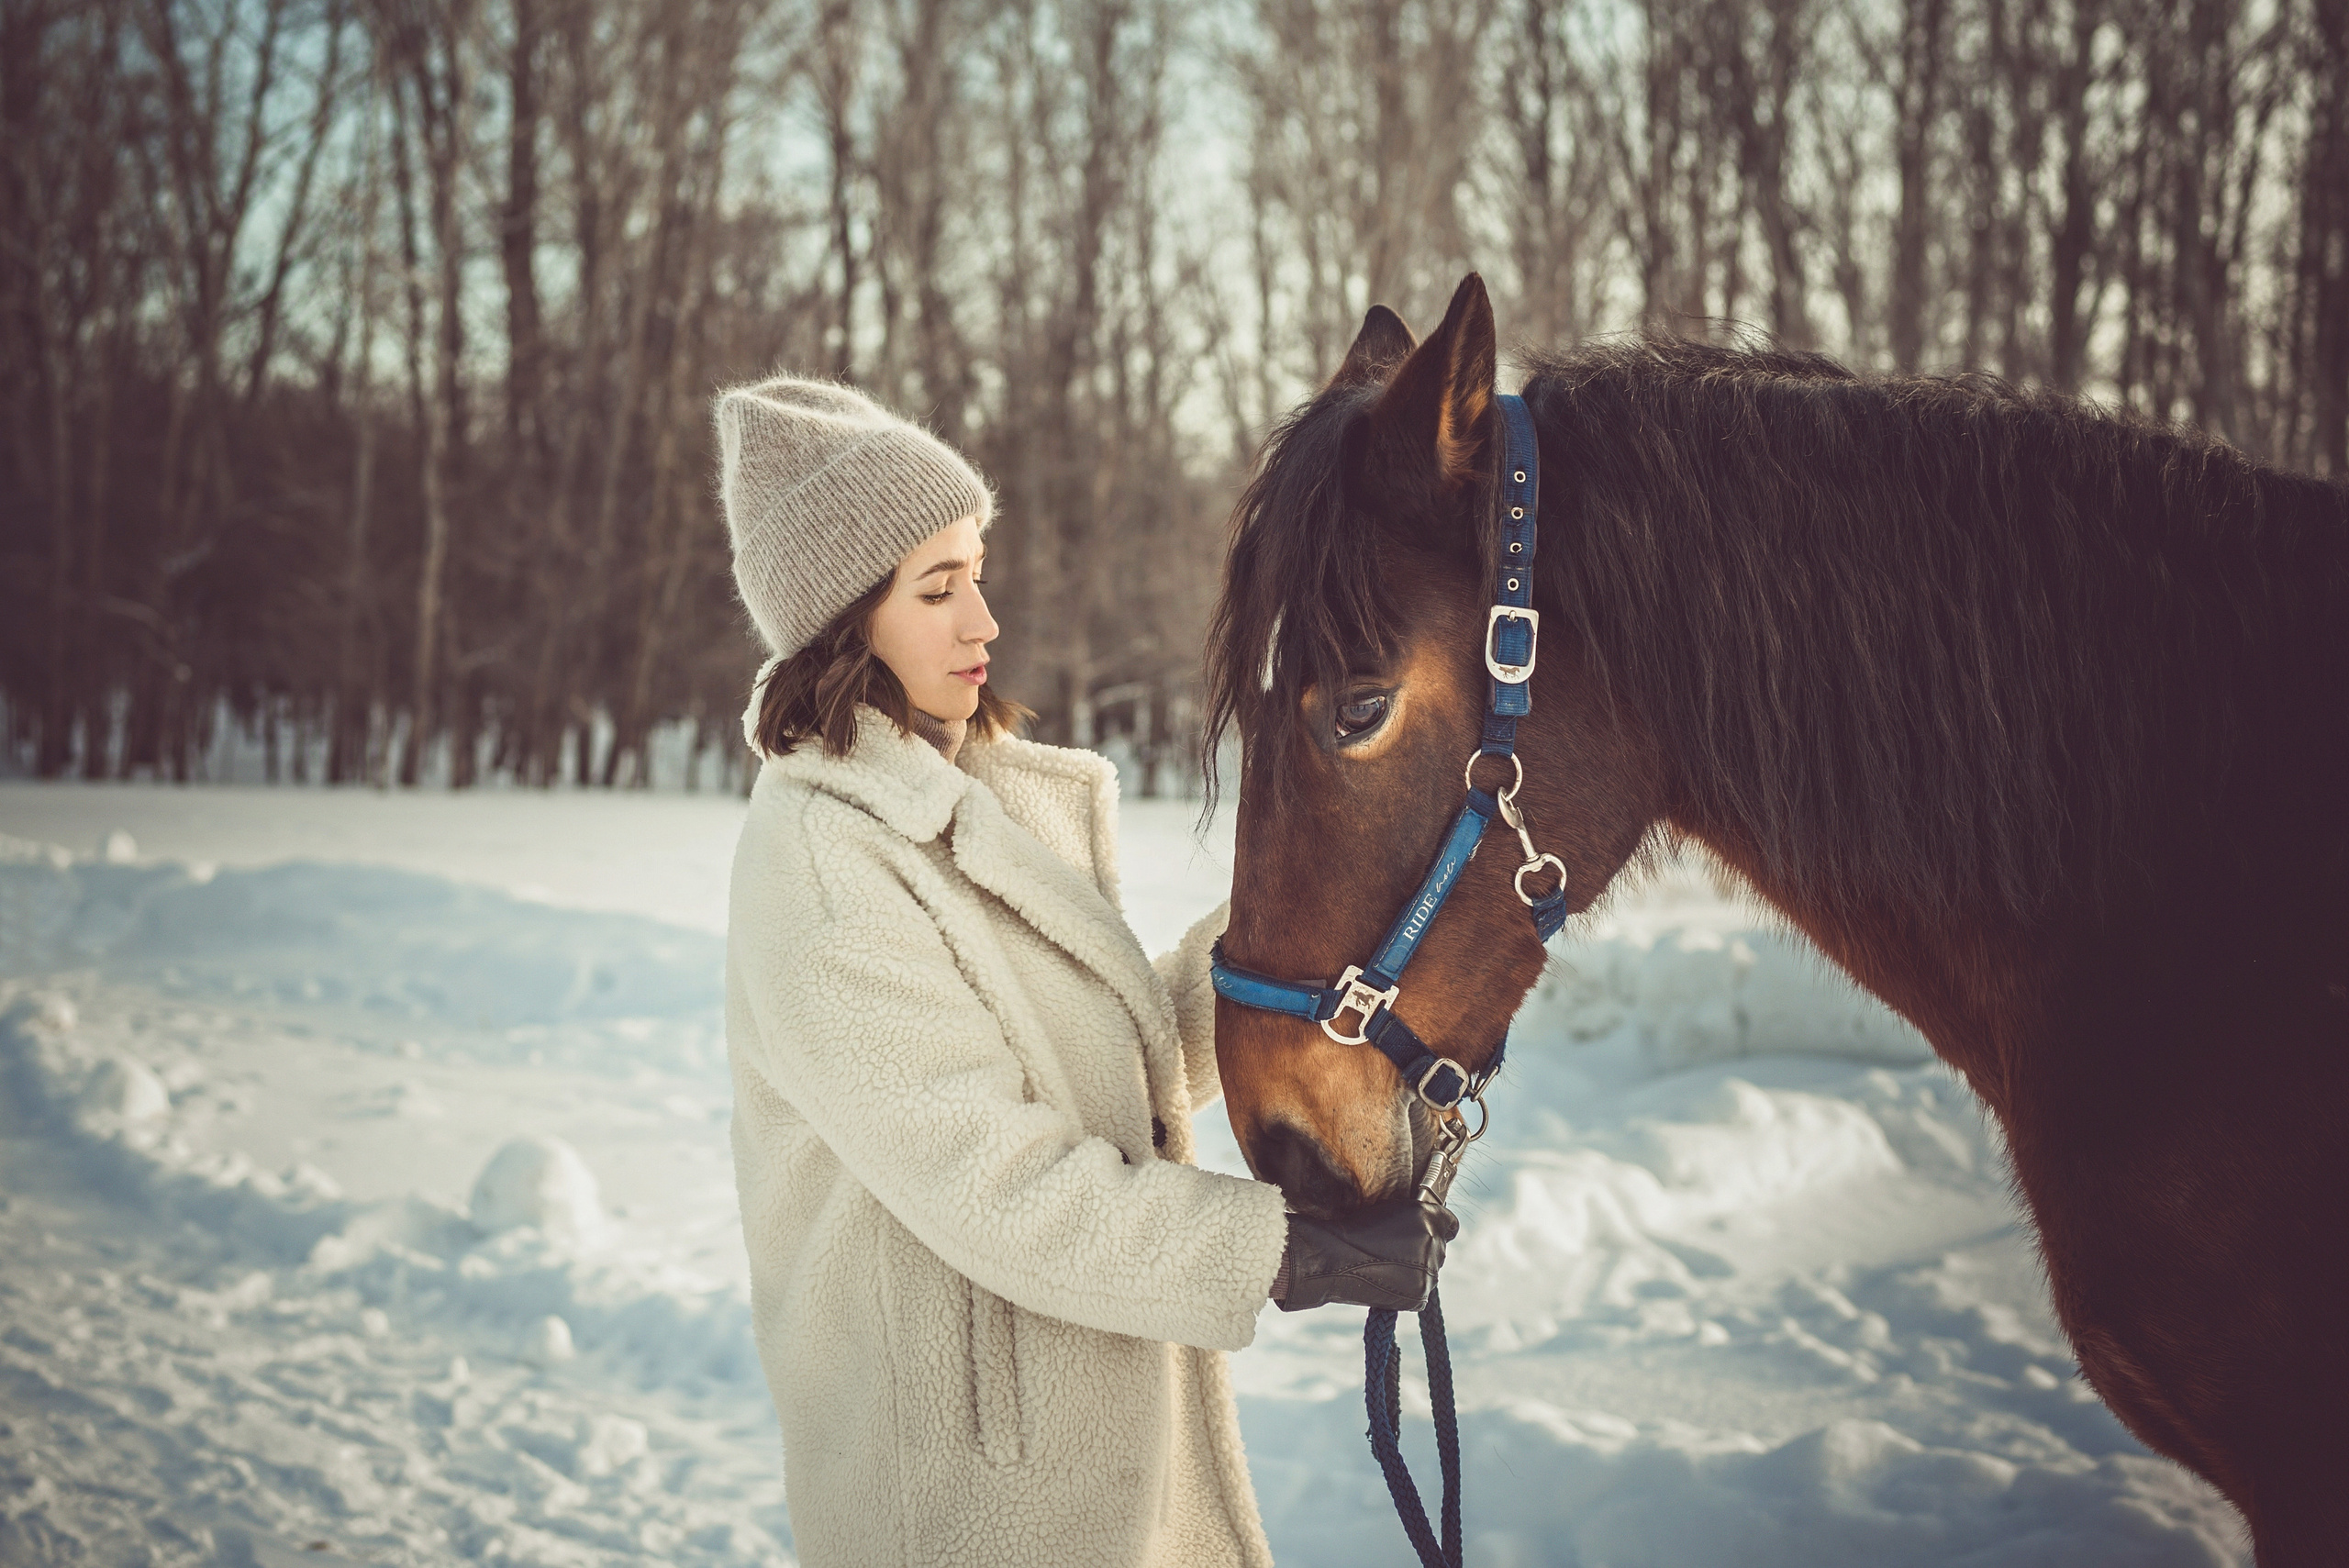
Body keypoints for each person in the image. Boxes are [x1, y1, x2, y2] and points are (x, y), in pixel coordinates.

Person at [714, 374, 1455, 1568]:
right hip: (964, 1497)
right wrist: (1287, 1252)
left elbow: (1113, 1059)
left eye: (978, 574)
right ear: (845, 621)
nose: (984, 622)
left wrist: (1325, 915)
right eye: (937, 589)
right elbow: (990, 1181)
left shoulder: (971, 800)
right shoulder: (823, 861)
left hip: (1084, 1445)